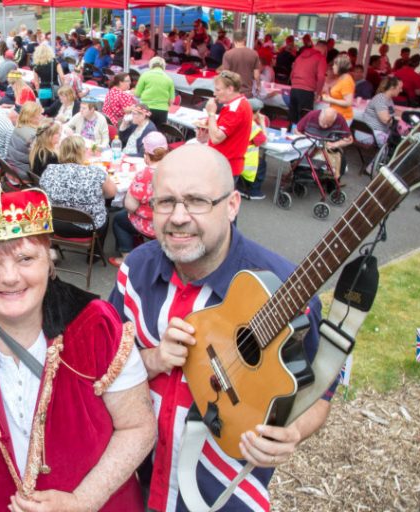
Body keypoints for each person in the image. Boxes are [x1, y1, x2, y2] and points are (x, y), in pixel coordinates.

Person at [108, 144, 334, 511]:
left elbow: (319, 392)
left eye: (197, 201)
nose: (178, 217)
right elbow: (103, 361)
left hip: (221, 495)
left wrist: (291, 432)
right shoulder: (135, 270)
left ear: (232, 205)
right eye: (165, 202)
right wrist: (151, 359)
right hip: (132, 483)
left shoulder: (285, 290)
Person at [0, 185, 154, 512]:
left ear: (48, 260)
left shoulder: (95, 325)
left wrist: (83, 501)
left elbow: (138, 427)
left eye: (25, 258)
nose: (10, 277)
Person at [40, 135, 117, 242]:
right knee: (106, 212)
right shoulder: (95, 173)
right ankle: (95, 254)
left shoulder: (49, 170)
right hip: (88, 228)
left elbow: (43, 192)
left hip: (55, 223)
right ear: (82, 152)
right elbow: (111, 194)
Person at [109, 131, 168, 268]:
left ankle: (127, 259)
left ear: (146, 155)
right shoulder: (174, 169)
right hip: (169, 220)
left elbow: (131, 206)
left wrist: (130, 191)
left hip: (150, 223)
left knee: (119, 219)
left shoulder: (144, 174)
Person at [199, 70, 253, 180]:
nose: (214, 93)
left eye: (218, 90)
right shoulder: (239, 103)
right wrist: (207, 135)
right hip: (225, 164)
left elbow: (216, 138)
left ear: (230, 89)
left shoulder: (235, 109)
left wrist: (211, 113)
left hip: (225, 166)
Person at [296, 107, 353, 178]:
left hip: (325, 149)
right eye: (324, 123)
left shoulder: (340, 119)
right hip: (308, 147)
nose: (325, 126)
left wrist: (336, 144)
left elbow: (349, 140)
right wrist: (305, 139)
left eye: (329, 124)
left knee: (337, 162)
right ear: (319, 116)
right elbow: (297, 130)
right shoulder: (311, 115)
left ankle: (329, 175)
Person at [288, 40, 327, 127]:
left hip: (294, 89)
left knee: (293, 118)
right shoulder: (320, 57)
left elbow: (292, 74)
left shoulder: (300, 56)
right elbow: (321, 77)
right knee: (305, 119)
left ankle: (290, 135)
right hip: (307, 91)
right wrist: (318, 92)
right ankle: (301, 138)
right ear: (324, 49)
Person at [239, 98, 269, 201]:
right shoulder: (253, 126)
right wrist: (262, 123)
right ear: (256, 112)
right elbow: (264, 141)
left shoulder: (239, 118)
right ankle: (253, 191)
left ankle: (240, 186)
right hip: (246, 158)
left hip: (236, 154)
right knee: (262, 164)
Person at [6, 102, 43, 181]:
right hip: (23, 172)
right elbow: (40, 159)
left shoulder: (18, 127)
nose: (41, 117)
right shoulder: (33, 135)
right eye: (39, 114)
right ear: (31, 117)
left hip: (12, 168)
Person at [134, 56, 175, 126]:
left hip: (146, 108)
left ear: (151, 64)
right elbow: (171, 101)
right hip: (162, 111)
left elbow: (137, 94)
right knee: (158, 134)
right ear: (163, 66)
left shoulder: (145, 75)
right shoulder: (169, 79)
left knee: (143, 133)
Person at [362, 76, 403, 146]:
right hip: (372, 134)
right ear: (392, 88)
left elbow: (392, 112)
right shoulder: (380, 99)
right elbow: (385, 120)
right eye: (399, 88)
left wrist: (406, 115)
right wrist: (400, 124)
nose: (401, 90)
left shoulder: (388, 99)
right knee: (400, 143)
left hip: (376, 132)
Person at [221, 30, 261, 98]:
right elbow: (256, 75)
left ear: (234, 39)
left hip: (232, 93)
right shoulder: (254, 54)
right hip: (247, 94)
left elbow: (224, 74)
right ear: (245, 39)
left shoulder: (228, 54)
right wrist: (258, 85)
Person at [323, 54, 355, 124]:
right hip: (336, 115)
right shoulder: (340, 78)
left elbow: (348, 102)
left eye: (335, 65)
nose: (333, 67)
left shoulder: (347, 80)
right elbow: (337, 95)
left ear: (340, 67)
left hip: (343, 117)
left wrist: (330, 99)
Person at [32, 44, 63, 108]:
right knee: (56, 110)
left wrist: (39, 92)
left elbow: (36, 83)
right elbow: (62, 77)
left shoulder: (36, 66)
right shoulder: (56, 63)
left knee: (46, 111)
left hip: (43, 90)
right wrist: (64, 88)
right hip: (55, 89)